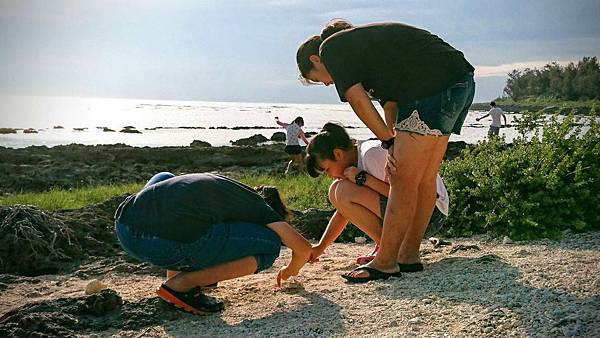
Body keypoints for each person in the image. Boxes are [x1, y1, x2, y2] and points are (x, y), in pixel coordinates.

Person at [296, 19, 475, 282]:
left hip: (433, 86)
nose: (325, 84)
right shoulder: (372, 60)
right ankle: (408, 256)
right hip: (458, 81)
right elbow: (390, 105)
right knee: (422, 177)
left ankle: (386, 262)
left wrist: (389, 143)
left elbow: (358, 100)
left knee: (403, 179)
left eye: (317, 78)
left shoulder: (331, 49)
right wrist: (392, 144)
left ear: (316, 58)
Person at [114, 172, 311, 314]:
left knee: (164, 177)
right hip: (164, 244)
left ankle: (176, 272)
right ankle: (182, 284)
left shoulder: (225, 190)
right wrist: (290, 270)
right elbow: (303, 248)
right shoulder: (258, 206)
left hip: (125, 227)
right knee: (270, 244)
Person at [305, 123, 449, 272]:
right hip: (417, 212)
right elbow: (344, 211)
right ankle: (387, 248)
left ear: (338, 154)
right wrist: (320, 248)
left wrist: (364, 178)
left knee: (341, 190)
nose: (329, 175)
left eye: (327, 169)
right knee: (335, 190)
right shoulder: (356, 163)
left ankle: (390, 251)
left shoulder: (371, 155)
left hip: (430, 214)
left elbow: (410, 194)